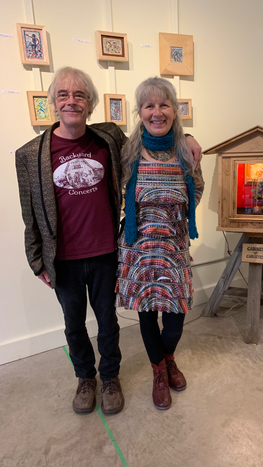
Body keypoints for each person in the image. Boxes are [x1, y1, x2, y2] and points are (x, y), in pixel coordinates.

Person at [15, 67, 202, 416]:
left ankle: (112, 377)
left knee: (109, 323)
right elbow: (30, 212)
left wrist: (188, 137)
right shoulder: (30, 155)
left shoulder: (109, 139)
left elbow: (161, 128)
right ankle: (87, 378)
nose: (71, 102)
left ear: (90, 104)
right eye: (63, 95)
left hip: (109, 251)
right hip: (69, 256)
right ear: (53, 102)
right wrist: (36, 258)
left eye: (80, 95)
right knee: (74, 324)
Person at [116, 77, 204, 410]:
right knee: (147, 315)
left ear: (174, 109)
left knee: (176, 318)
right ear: (139, 112)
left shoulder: (186, 149)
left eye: (164, 104)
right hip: (138, 249)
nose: (157, 112)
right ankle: (158, 371)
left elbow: (197, 186)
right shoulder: (127, 150)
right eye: (149, 105)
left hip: (175, 247)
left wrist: (177, 211)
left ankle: (168, 357)